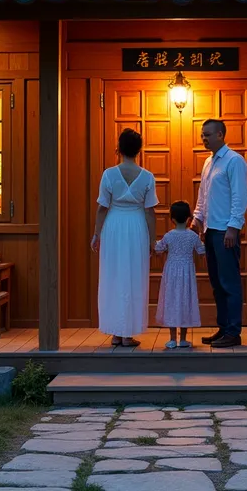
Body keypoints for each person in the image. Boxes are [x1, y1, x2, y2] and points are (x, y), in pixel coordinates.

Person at [90, 128, 157, 347]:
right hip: (137, 226)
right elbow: (149, 211)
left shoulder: (109, 174)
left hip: (114, 225)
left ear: (118, 148)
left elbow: (102, 208)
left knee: (113, 275)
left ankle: (116, 332)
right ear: (139, 150)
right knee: (134, 276)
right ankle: (127, 333)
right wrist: (152, 239)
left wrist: (96, 234)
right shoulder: (147, 177)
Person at [191, 118, 247, 348]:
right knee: (216, 282)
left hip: (226, 231)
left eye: (208, 134)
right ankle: (223, 328)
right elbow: (203, 194)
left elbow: (240, 196)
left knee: (229, 282)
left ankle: (234, 332)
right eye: (202, 135)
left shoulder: (234, 161)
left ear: (221, 135)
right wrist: (197, 219)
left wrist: (233, 227)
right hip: (210, 230)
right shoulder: (208, 162)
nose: (204, 138)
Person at [154, 200, 205, 349]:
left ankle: (171, 339)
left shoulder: (169, 235)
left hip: (171, 273)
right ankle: (183, 339)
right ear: (189, 218)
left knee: (171, 301)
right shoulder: (193, 236)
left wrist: (151, 242)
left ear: (172, 219)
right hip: (187, 273)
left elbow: (159, 249)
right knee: (185, 301)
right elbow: (201, 251)